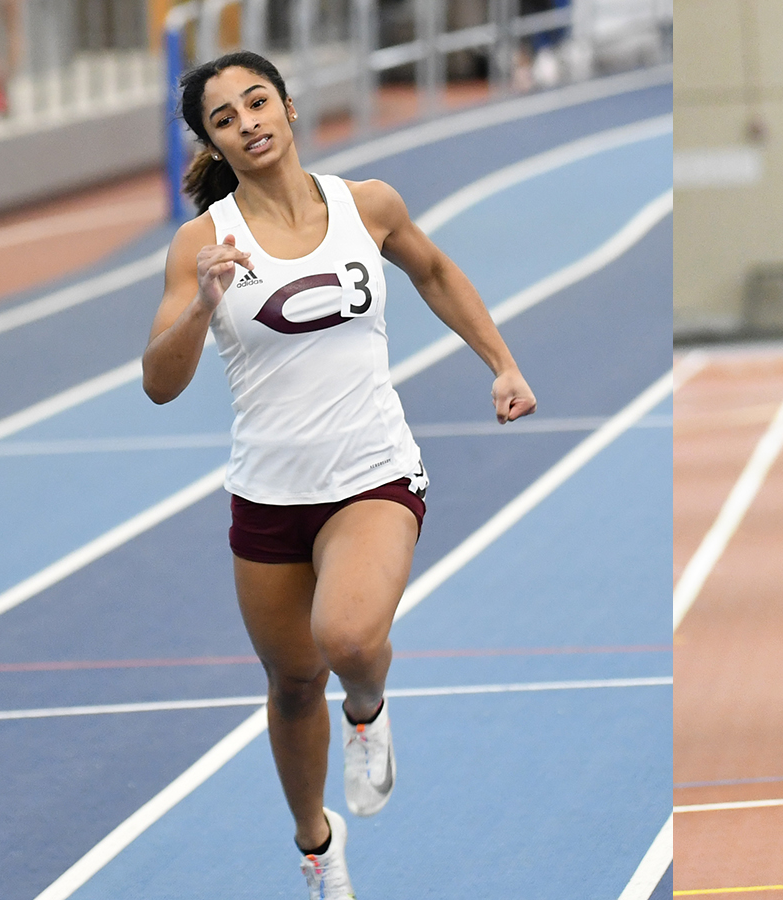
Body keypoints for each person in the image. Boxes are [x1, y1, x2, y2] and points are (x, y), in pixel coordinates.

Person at [142, 50, 536, 899]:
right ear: (209, 142)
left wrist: (500, 362)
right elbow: (159, 383)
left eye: (257, 102)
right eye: (224, 117)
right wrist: (205, 304)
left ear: (287, 106)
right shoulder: (202, 244)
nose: (248, 121)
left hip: (374, 473)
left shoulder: (368, 204)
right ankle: (318, 847)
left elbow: (432, 270)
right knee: (289, 685)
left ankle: (367, 709)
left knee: (349, 640)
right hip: (269, 495)